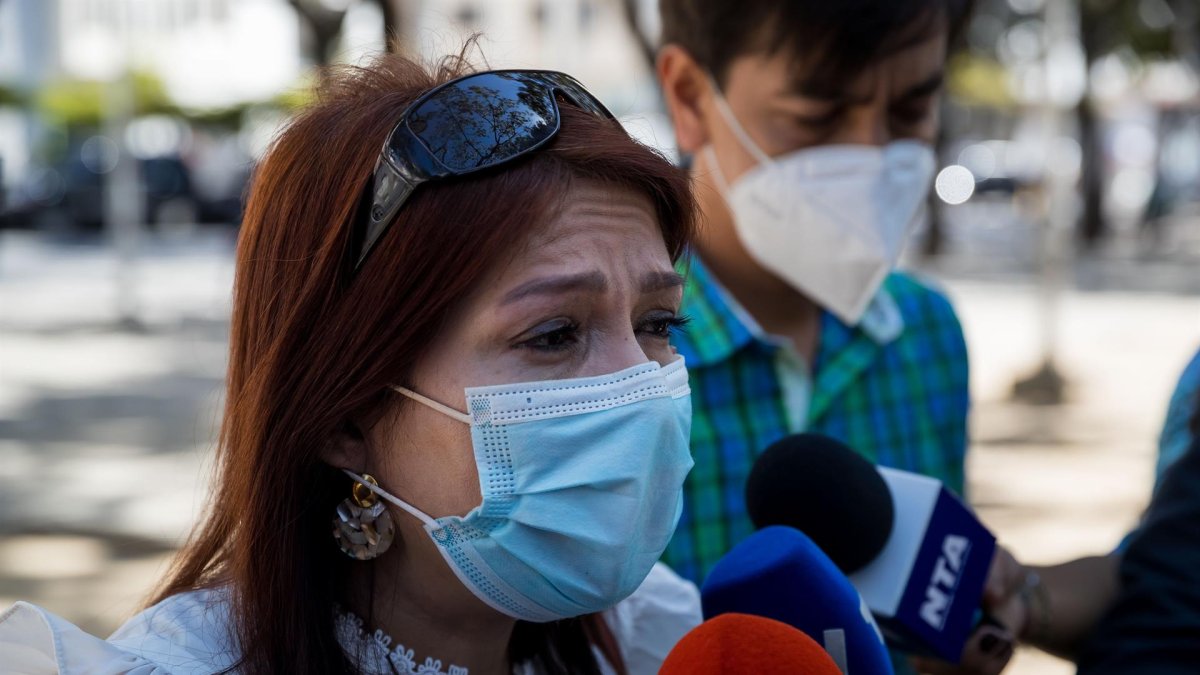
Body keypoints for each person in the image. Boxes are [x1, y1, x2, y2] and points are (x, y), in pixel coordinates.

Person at [0, 52, 703, 674]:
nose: (637, 382)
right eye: (553, 334)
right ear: (345, 417)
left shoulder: (654, 637)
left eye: (657, 323)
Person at [652, 1, 1007, 672]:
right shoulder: (609, 365)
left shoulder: (929, 335)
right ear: (691, 95)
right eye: (816, 117)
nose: (872, 155)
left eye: (908, 113)